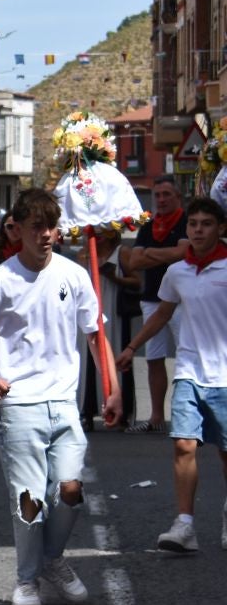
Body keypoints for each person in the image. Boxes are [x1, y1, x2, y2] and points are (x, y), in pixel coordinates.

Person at [0, 188, 120, 605]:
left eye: (51, 226)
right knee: (29, 501)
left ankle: (51, 559)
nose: (46, 234)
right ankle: (27, 580)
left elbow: (95, 335)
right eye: (37, 227)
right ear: (17, 230)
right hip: (20, 406)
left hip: (65, 404)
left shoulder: (73, 275)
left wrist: (113, 388)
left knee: (71, 490)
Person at [118, 196, 227, 553]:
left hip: (225, 376)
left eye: (206, 224)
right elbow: (162, 314)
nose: (198, 230)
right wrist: (132, 347)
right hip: (189, 371)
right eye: (193, 224)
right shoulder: (177, 271)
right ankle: (185, 525)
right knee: (183, 444)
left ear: (221, 228)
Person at [121, 176, 189, 433]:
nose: (161, 200)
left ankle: (184, 415)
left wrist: (150, 253)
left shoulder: (186, 222)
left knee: (185, 357)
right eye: (157, 195)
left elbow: (183, 254)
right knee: (153, 358)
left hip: (181, 300)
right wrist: (167, 255)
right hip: (152, 298)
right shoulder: (149, 225)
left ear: (178, 197)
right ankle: (156, 417)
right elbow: (134, 261)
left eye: (166, 194)